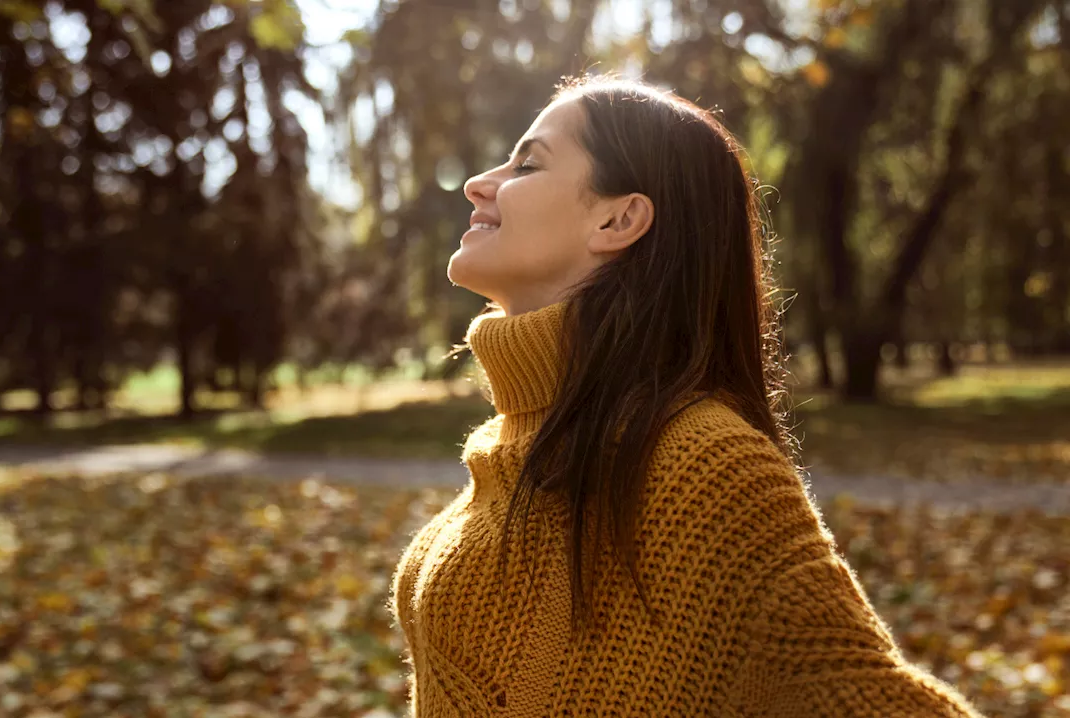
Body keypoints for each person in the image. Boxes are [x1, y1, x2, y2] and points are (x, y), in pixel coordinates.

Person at [387, 73, 982, 716]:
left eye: (527, 164)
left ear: (620, 218)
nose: (480, 183)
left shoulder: (706, 464)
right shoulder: (524, 436)